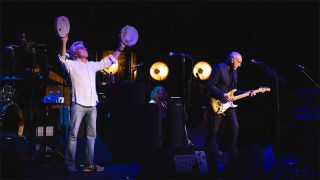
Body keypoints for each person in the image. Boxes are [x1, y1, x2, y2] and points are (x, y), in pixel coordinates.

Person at [59, 34, 126, 173]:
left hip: (92, 105)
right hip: (78, 104)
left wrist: (120, 49)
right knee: (73, 135)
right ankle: (70, 164)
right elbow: (62, 58)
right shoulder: (72, 64)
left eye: (84, 47)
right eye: (81, 48)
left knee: (91, 136)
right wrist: (64, 41)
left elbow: (107, 62)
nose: (84, 48)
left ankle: (89, 165)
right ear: (75, 53)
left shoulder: (91, 65)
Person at [205, 51, 255, 156]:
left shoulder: (234, 72)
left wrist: (247, 92)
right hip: (216, 103)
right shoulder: (219, 68)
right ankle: (206, 153)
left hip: (229, 105)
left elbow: (234, 90)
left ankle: (234, 152)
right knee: (213, 132)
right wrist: (222, 94)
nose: (240, 65)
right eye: (239, 62)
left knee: (235, 126)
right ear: (232, 60)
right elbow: (210, 85)